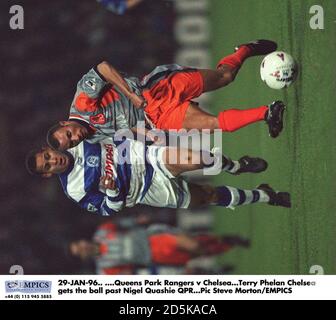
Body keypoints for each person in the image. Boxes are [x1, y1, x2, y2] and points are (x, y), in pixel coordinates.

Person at [46, 40, 286, 151]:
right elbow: (124, 130)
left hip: (157, 88)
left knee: (225, 78)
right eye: (72, 143)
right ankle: (268, 112)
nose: (75, 137)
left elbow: (103, 68)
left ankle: (245, 50)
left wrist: (130, 94)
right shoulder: (92, 138)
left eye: (69, 134)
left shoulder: (82, 103)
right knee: (213, 125)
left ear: (64, 122)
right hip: (157, 118)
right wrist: (149, 136)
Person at [25, 137, 291, 214]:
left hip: (144, 156)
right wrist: (113, 190)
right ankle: (264, 195)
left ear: (48, 149)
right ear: (48, 175)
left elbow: (109, 128)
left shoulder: (75, 140)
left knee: (197, 158)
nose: (53, 161)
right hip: (146, 191)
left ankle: (236, 166)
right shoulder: (75, 190)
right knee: (208, 196)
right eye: (47, 166)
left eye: (47, 156)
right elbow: (109, 209)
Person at [69, 222, 249, 275]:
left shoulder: (103, 230)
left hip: (154, 238)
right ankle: (227, 242)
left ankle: (223, 239)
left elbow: (126, 223)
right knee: (199, 252)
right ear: (84, 257)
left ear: (83, 240)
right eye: (80, 251)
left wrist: (140, 220)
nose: (84, 247)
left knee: (193, 243)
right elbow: (128, 274)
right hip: (155, 258)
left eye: (80, 244)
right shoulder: (105, 268)